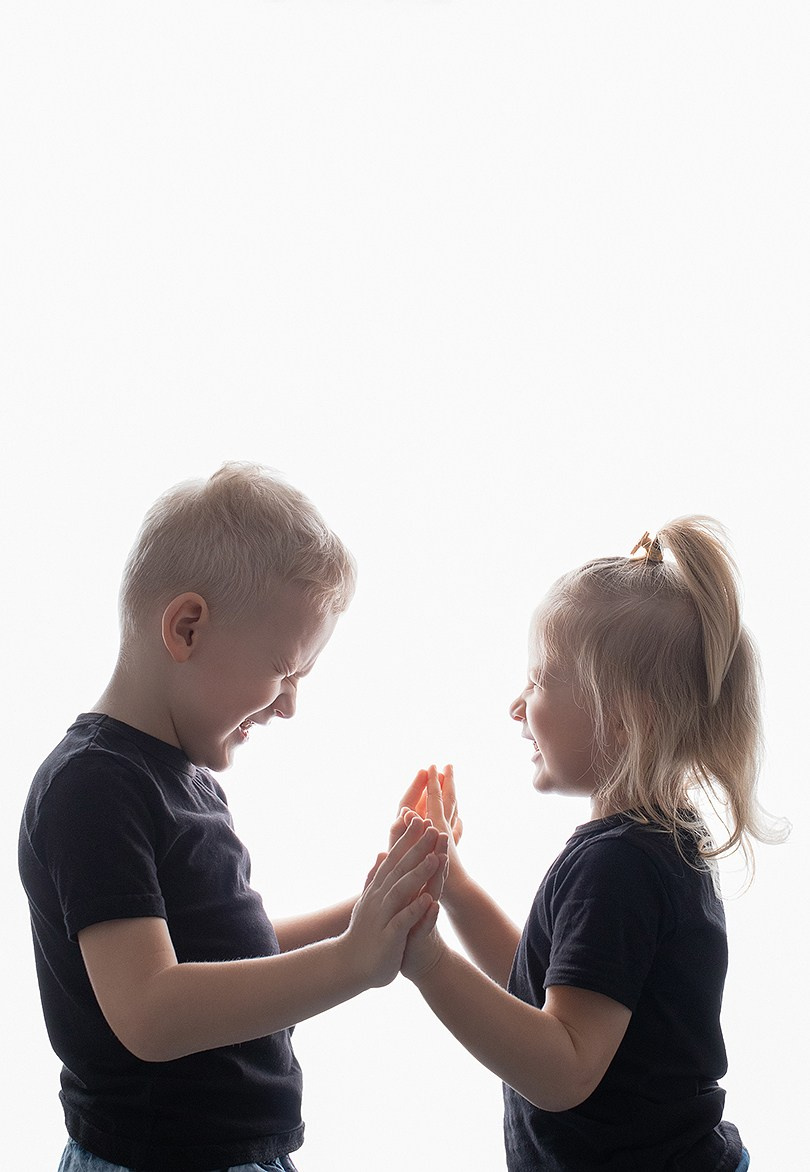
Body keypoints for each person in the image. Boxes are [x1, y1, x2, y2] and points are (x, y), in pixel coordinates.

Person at [18, 461, 447, 1172]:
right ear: (186, 628)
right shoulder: (93, 787)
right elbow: (152, 1011)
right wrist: (349, 963)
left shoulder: (178, 776)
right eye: (285, 672)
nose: (288, 706)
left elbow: (228, 958)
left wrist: (374, 910)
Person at [396, 517, 787, 1172]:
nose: (517, 706)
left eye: (541, 680)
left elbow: (563, 1067)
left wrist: (426, 959)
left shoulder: (619, 865)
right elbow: (554, 989)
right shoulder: (655, 844)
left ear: (627, 715)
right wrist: (455, 889)